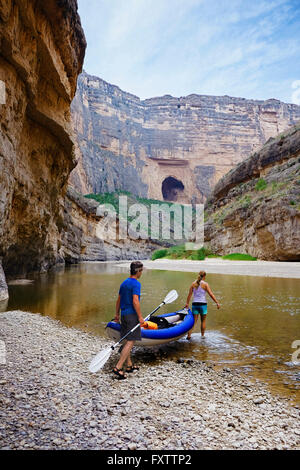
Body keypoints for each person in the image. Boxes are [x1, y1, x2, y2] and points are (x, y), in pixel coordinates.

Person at [113, 261, 144, 379]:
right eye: (141, 270)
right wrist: (140, 317)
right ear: (138, 271)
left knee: (127, 341)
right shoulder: (136, 284)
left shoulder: (124, 282)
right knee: (131, 341)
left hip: (124, 315)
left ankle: (129, 365)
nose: (142, 273)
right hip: (132, 316)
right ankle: (118, 367)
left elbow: (118, 300)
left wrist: (117, 315)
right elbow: (135, 301)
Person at [185, 270, 220, 339]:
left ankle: (189, 336)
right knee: (203, 321)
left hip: (195, 304)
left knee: (193, 322)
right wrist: (217, 302)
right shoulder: (205, 284)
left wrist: (187, 304)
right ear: (204, 276)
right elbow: (211, 294)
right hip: (203, 305)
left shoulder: (193, 284)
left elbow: (189, 295)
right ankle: (202, 336)